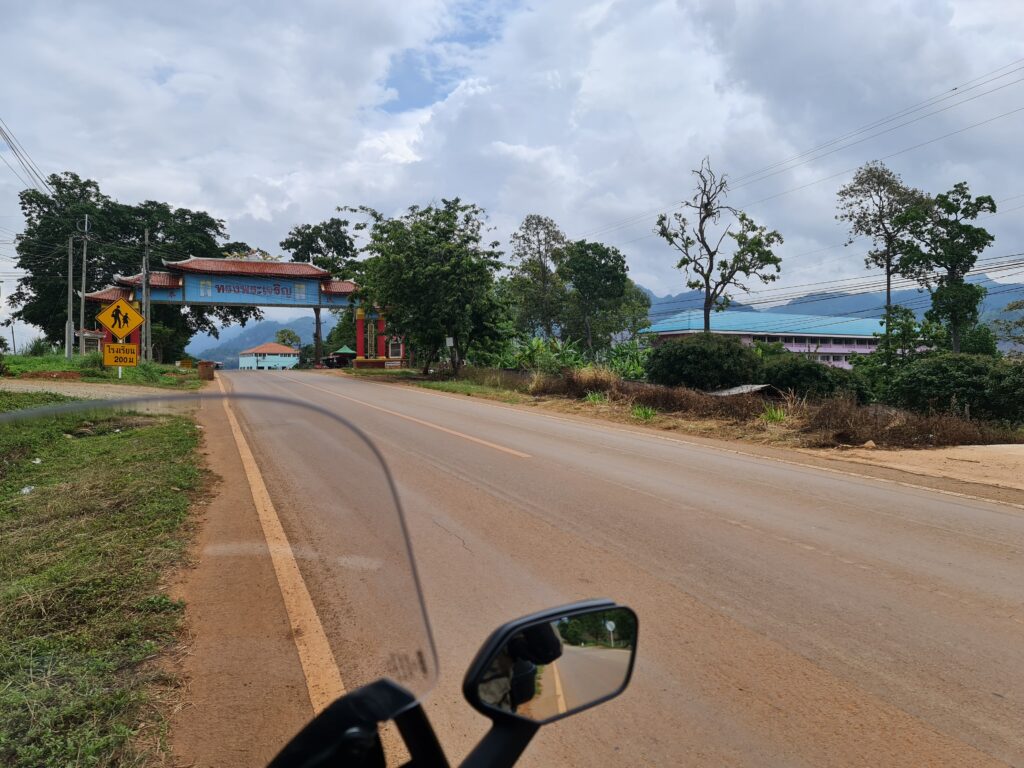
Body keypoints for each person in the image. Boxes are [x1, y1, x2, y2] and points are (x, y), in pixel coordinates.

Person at [477, 623, 564, 713]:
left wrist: (516, 642)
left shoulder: (513, 624)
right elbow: (551, 652)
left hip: (491, 706)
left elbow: (551, 651)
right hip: (489, 703)